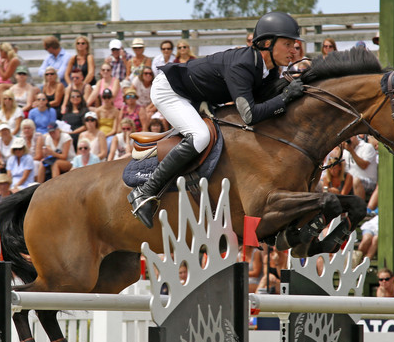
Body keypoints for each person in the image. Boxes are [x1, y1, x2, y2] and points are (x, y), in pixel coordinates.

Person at [127, 12, 306, 228]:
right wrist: (286, 97)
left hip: (196, 95)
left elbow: (267, 103)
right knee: (200, 136)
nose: (293, 50)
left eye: (294, 45)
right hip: (170, 91)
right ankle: (144, 192)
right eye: (287, 44)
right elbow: (249, 115)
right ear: (267, 43)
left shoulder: (269, 70)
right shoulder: (243, 65)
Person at [343, 135, 377, 200]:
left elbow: (363, 166)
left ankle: (360, 208)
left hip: (369, 182)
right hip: (350, 183)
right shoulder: (346, 151)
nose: (349, 141)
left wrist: (352, 152)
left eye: (350, 137)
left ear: (355, 136)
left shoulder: (367, 147)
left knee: (356, 180)